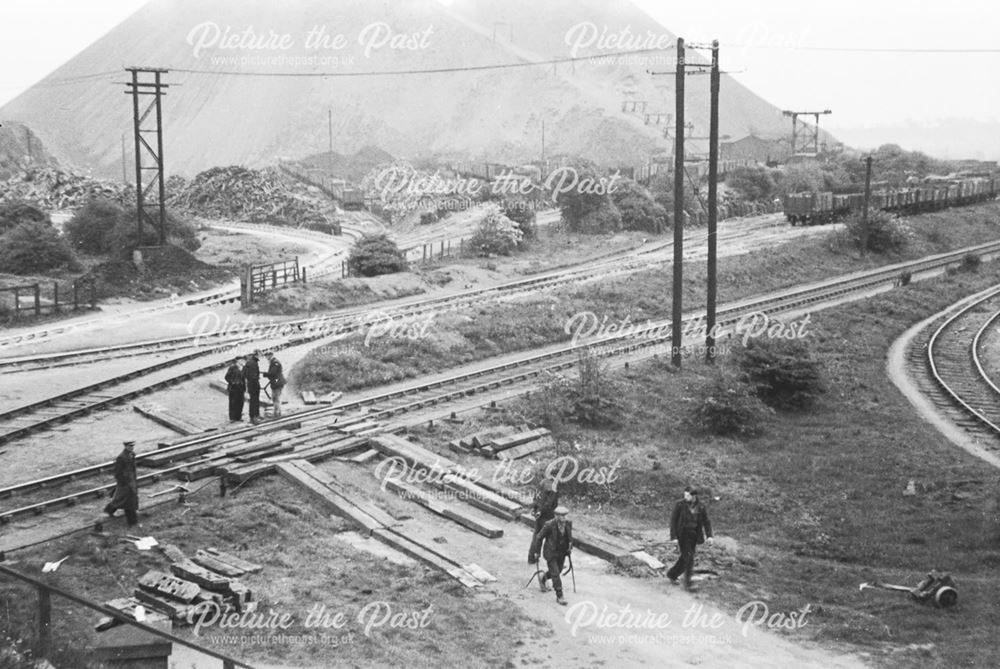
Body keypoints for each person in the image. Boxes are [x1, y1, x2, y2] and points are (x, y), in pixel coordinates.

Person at [667, 486, 713, 589]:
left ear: (694, 496)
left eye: (688, 495)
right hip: (682, 535)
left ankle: (672, 574)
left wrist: (709, 536)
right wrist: (674, 537)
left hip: (694, 536)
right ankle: (688, 583)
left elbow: (706, 521)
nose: (685, 497)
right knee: (689, 558)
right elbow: (673, 521)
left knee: (685, 557)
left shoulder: (701, 506)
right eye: (685, 495)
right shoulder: (679, 505)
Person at [529, 506, 573, 605]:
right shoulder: (549, 525)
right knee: (556, 573)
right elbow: (539, 537)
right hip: (550, 552)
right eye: (560, 516)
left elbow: (569, 537)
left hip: (561, 552)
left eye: (564, 516)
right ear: (555, 516)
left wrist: (570, 546)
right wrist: (537, 552)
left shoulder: (568, 524)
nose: (563, 518)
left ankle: (544, 577)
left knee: (559, 570)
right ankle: (560, 595)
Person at [104, 441, 139, 527]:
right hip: (125, 482)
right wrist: (123, 482)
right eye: (130, 446)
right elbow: (117, 472)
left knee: (120, 498)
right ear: (126, 446)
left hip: (131, 481)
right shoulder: (121, 457)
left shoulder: (132, 454)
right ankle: (132, 521)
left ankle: (109, 510)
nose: (132, 447)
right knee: (128, 500)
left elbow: (132, 469)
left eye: (132, 446)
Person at [263, 350, 286, 417]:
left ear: (270, 355)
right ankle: (277, 412)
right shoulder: (273, 362)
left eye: (267, 356)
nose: (266, 357)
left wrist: (265, 374)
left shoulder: (275, 362)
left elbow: (273, 373)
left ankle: (277, 413)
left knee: (276, 398)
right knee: (275, 397)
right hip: (277, 382)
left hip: (277, 382)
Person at [224, 356, 245, 421]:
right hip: (234, 388)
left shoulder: (243, 368)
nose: (242, 361)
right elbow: (227, 377)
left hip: (241, 388)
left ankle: (238, 417)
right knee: (233, 403)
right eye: (241, 360)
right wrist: (232, 382)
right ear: (238, 361)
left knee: (240, 402)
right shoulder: (232, 367)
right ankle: (232, 418)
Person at [244, 351, 261, 424]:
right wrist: (256, 379)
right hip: (254, 384)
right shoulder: (253, 363)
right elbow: (253, 375)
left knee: (254, 400)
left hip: (251, 384)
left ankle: (255, 415)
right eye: (260, 355)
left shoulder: (250, 362)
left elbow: (245, 374)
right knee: (254, 400)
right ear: (256, 355)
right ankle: (254, 417)